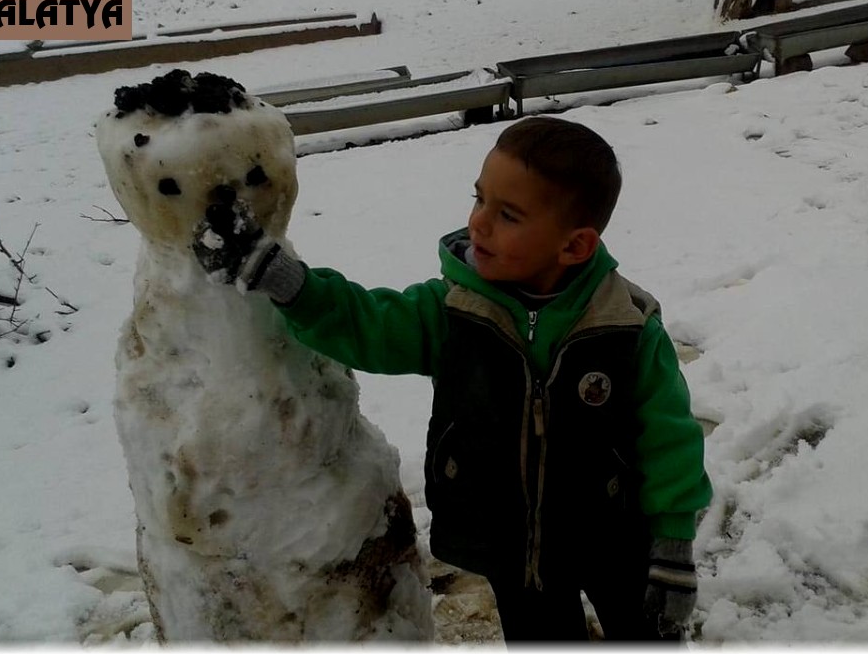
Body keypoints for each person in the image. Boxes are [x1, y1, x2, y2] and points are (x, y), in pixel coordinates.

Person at [191, 115, 713, 643]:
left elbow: (669, 438)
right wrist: (288, 282)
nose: (478, 223)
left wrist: (672, 546)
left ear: (574, 247)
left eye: (508, 215)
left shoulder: (625, 327)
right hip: (508, 545)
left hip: (613, 536)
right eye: (479, 198)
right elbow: (368, 323)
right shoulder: (452, 312)